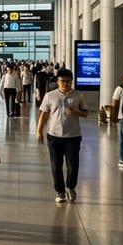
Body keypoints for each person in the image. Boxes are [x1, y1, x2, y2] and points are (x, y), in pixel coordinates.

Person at [35, 69, 88, 204]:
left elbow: (86, 113)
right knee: (56, 165)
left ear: (71, 81)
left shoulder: (78, 95)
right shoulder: (50, 96)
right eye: (62, 81)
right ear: (57, 81)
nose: (65, 84)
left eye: (68, 81)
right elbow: (44, 115)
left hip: (73, 136)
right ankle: (60, 191)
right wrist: (39, 131)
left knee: (73, 165)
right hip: (54, 136)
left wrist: (76, 111)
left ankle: (71, 187)